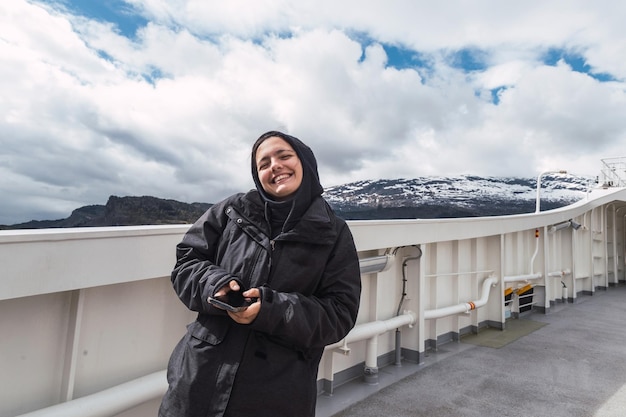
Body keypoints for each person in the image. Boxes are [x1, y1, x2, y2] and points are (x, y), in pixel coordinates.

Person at [158, 131, 362, 417]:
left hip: (278, 391)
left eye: (284, 156)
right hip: (198, 377)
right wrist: (214, 284)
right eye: (263, 163)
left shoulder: (334, 232)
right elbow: (187, 261)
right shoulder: (231, 211)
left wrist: (271, 309)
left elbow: (339, 313)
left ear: (305, 162)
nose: (274, 166)